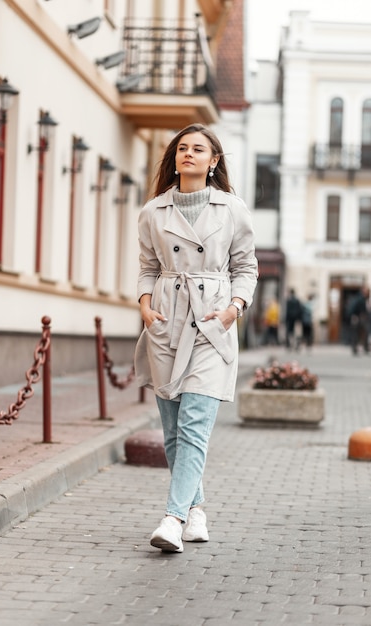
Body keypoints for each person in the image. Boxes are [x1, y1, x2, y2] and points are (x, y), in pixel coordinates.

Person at [134, 123, 258, 553]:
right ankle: (197, 508)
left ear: (214, 161)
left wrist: (232, 311)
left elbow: (246, 267)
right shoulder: (153, 211)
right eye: (182, 148)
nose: (188, 153)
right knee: (172, 431)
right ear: (175, 158)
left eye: (198, 148)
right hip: (167, 321)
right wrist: (146, 305)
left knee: (193, 425)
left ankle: (172, 517)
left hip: (211, 323)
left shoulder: (233, 209)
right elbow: (148, 265)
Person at [348, 286, 370, 355]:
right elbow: (356, 309)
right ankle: (356, 348)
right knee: (358, 333)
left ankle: (362, 348)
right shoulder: (359, 299)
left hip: (360, 317)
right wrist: (355, 315)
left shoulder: (362, 298)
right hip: (357, 317)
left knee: (363, 332)